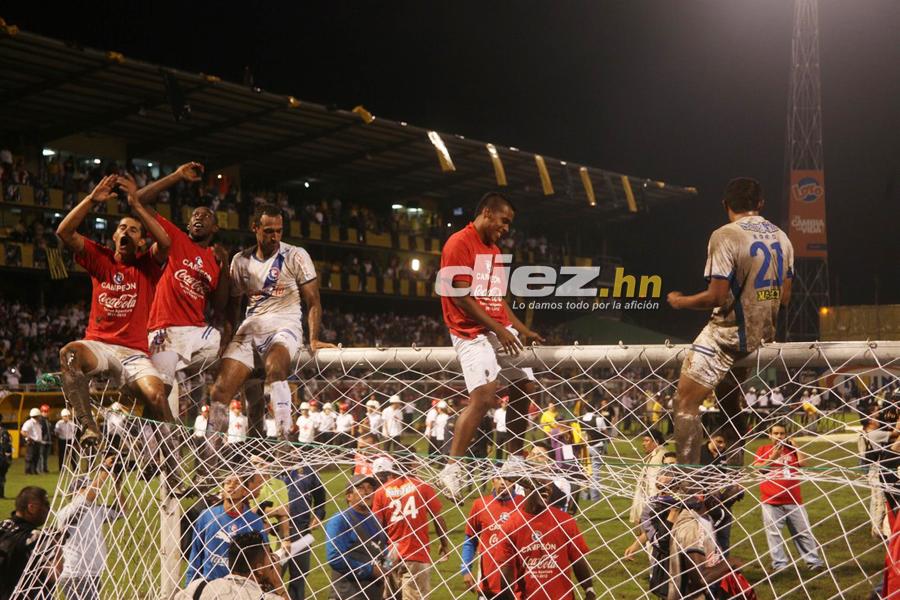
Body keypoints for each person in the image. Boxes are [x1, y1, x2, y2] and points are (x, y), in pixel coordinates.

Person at [667, 178, 794, 465]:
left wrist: (680, 301)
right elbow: (785, 297)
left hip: (726, 336)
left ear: (726, 205)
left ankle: (688, 483)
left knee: (685, 405)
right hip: (762, 335)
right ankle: (734, 475)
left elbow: (716, 296)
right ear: (760, 204)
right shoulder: (782, 238)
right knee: (728, 401)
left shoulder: (725, 235)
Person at [437, 192, 544, 499]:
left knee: (526, 385)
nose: (507, 228)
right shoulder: (458, 243)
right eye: (504, 221)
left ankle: (514, 459)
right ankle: (453, 468)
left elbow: (497, 301)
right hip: (469, 331)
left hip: (498, 328)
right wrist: (500, 329)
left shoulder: (494, 251)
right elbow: (460, 296)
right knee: (484, 396)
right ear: (487, 213)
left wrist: (522, 329)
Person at [56, 174, 172, 444]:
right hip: (100, 345)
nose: (126, 233)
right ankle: (88, 427)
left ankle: (174, 469)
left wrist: (137, 204)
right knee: (70, 353)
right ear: (114, 236)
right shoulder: (101, 258)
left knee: (156, 396)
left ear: (142, 242)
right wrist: (90, 200)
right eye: (122, 228)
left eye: (133, 230)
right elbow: (64, 232)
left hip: (133, 352)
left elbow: (166, 243)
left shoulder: (147, 265)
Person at [209, 204, 335, 440]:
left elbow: (313, 301)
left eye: (278, 231)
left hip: (284, 325)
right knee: (219, 391)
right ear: (255, 228)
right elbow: (233, 306)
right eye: (268, 231)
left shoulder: (295, 255)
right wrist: (227, 338)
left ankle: (285, 438)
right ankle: (209, 456)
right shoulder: (241, 260)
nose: (274, 236)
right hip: (250, 327)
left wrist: (314, 337)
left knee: (275, 368)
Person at [138, 163, 229, 412]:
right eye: (195, 216)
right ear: (188, 225)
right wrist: (177, 176)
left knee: (223, 345)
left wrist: (226, 265)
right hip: (164, 330)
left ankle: (198, 389)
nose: (198, 218)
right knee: (160, 394)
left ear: (215, 228)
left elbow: (220, 305)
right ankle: (150, 442)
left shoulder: (214, 260)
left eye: (205, 216)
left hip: (196, 333)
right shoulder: (175, 239)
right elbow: (140, 200)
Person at [496, 470, 596, 600]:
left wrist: (589, 589)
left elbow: (577, 558)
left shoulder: (564, 520)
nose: (546, 490)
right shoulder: (511, 525)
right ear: (526, 489)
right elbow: (506, 571)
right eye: (540, 486)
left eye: (549, 486)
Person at [371, 458, 449, 600]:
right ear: (412, 465)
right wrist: (444, 544)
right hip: (416, 554)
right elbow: (437, 518)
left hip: (389, 556)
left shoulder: (381, 491)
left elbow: (376, 526)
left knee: (388, 596)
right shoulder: (422, 486)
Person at [751, 423, 824, 572]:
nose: (779, 436)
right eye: (776, 433)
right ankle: (780, 564)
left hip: (794, 500)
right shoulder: (763, 450)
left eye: (782, 433)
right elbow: (759, 470)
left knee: (803, 532)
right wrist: (773, 457)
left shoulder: (792, 451)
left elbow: (803, 464)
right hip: (771, 501)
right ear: (770, 435)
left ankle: (814, 563)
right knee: (774, 535)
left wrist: (796, 447)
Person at [56, 456, 123, 600]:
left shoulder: (96, 510)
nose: (93, 490)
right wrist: (105, 470)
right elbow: (87, 498)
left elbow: (122, 511)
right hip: (76, 577)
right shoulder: (68, 512)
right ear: (74, 492)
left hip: (93, 575)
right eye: (85, 487)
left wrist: (117, 483)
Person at [186, 472, 269, 584]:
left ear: (245, 491)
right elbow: (195, 554)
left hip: (240, 588)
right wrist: (189, 585)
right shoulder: (207, 516)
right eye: (227, 482)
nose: (231, 486)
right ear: (223, 489)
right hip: (211, 586)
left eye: (237, 483)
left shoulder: (255, 522)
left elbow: (264, 556)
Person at [460, 465, 522, 599]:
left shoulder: (523, 504)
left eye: (507, 479)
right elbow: (470, 540)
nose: (503, 482)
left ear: (515, 481)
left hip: (517, 583)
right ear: (492, 480)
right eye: (498, 478)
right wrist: (466, 569)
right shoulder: (480, 504)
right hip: (487, 582)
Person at [325, 473, 389, 600]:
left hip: (374, 593)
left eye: (370, 488)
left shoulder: (375, 519)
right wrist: (371, 571)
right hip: (348, 594)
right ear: (349, 496)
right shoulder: (340, 520)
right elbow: (335, 559)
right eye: (360, 488)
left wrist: (389, 565)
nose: (367, 492)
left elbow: (383, 550)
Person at [177, 531, 287, 600]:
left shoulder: (199, 586)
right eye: (270, 558)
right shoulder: (265, 598)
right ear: (259, 569)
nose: (273, 561)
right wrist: (278, 585)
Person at [277, 464, 326, 600]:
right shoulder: (276, 469)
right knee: (273, 575)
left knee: (299, 575)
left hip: (302, 531)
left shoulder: (312, 473)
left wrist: (317, 517)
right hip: (277, 532)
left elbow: (321, 503)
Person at [0, 486, 51, 600]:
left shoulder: (3, 526)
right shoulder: (36, 537)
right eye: (46, 505)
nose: (48, 509)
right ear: (31, 508)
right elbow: (54, 575)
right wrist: (57, 545)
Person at [630, 429, 668, 525]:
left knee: (648, 534)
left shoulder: (662, 455)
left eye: (647, 441)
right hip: (646, 502)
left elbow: (654, 484)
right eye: (643, 441)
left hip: (654, 504)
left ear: (656, 442)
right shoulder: (653, 455)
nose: (643, 444)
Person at [21, 408, 43, 475]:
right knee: (30, 457)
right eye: (39, 415)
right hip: (32, 443)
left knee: (36, 457)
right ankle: (28, 471)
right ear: (36, 416)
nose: (40, 417)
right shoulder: (29, 423)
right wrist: (28, 438)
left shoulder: (37, 423)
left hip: (37, 443)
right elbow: (23, 432)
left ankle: (34, 471)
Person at [492, 396, 509, 460]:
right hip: (499, 432)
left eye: (507, 403)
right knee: (498, 448)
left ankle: (507, 461)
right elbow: (495, 421)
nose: (505, 404)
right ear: (501, 403)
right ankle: (498, 462)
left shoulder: (510, 412)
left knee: (508, 449)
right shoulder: (497, 412)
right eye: (504, 403)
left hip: (507, 432)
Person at [38, 405, 51, 474]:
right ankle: (41, 469)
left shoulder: (47, 420)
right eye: (44, 411)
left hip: (48, 441)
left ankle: (45, 468)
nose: (45, 413)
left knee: (46, 456)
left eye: (46, 411)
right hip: (42, 441)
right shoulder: (40, 420)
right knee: (41, 456)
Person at [0, 427, 11, 498]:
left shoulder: (3, 432)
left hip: (2, 458)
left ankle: (1, 494)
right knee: (1, 477)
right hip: (2, 458)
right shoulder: (4, 432)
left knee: (1, 477)